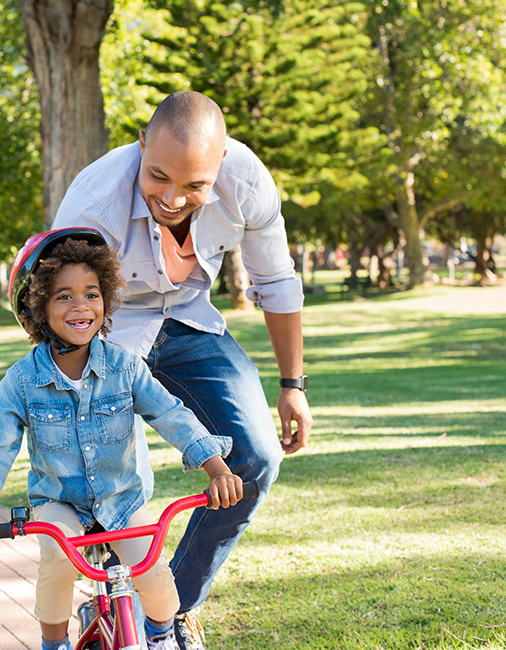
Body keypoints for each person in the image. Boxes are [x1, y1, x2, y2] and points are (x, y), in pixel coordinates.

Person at [51, 91, 314, 649]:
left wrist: (292, 386)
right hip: (105, 330)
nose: (172, 198)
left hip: (191, 322)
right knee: (113, 482)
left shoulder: (247, 183)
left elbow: (277, 282)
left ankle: (171, 611)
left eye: (194, 186)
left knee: (257, 456)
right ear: (141, 144)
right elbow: (64, 309)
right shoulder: (93, 203)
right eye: (158, 177)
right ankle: (109, 601)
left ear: (220, 165)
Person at [0, 228, 243, 650]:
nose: (81, 306)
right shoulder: (22, 380)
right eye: (63, 296)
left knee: (154, 572)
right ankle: (53, 644)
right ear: (36, 309)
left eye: (92, 293)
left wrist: (216, 467)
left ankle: (161, 635)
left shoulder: (125, 367)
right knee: (56, 559)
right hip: (59, 502)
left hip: (122, 497)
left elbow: (170, 414)